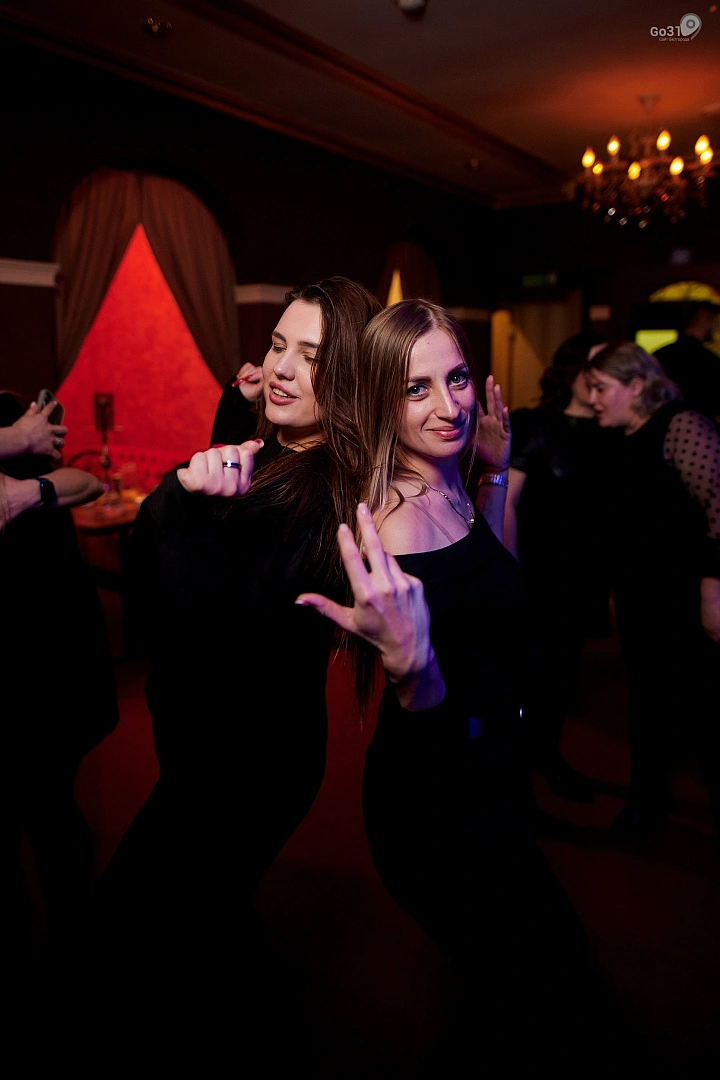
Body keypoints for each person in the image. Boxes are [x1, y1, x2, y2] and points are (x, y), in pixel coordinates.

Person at [89, 277, 390, 1067]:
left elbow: (198, 629)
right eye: (278, 344)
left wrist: (177, 506)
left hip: (244, 764)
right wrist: (236, 414)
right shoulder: (287, 453)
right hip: (230, 748)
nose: (282, 367)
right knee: (206, 913)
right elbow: (240, 495)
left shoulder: (325, 493)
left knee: (136, 929)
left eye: (311, 357)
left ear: (350, 378)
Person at [301, 300, 597, 1074]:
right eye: (417, 388)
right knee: (538, 984)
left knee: (524, 980)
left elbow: (499, 587)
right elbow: (425, 719)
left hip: (490, 767)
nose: (450, 405)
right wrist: (413, 671)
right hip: (434, 804)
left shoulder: (451, 480)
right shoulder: (389, 529)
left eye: (456, 377)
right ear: (380, 399)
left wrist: (495, 473)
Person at [587, 342, 720, 843]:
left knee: (704, 706)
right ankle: (647, 799)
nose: (594, 399)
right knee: (645, 700)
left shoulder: (681, 425)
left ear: (637, 385)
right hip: (639, 597)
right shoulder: (618, 435)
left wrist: (712, 592)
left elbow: (719, 509)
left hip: (687, 597)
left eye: (602, 388)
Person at [1, 392, 114, 978]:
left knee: (52, 813)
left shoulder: (10, 411)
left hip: (46, 668)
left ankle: (71, 951)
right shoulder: (15, 430)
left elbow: (87, 483)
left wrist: (26, 491)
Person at [504, 333, 611, 804]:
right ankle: (513, 776)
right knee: (526, 678)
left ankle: (549, 755)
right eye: (594, 365)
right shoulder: (535, 424)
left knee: (564, 674)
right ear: (570, 371)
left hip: (583, 576)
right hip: (537, 571)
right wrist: (511, 573)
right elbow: (507, 503)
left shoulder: (616, 428)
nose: (601, 376)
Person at [653, 301, 720, 422]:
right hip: (700, 427)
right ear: (707, 320)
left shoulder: (659, 355)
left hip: (660, 426)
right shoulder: (709, 361)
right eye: (716, 323)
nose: (717, 329)